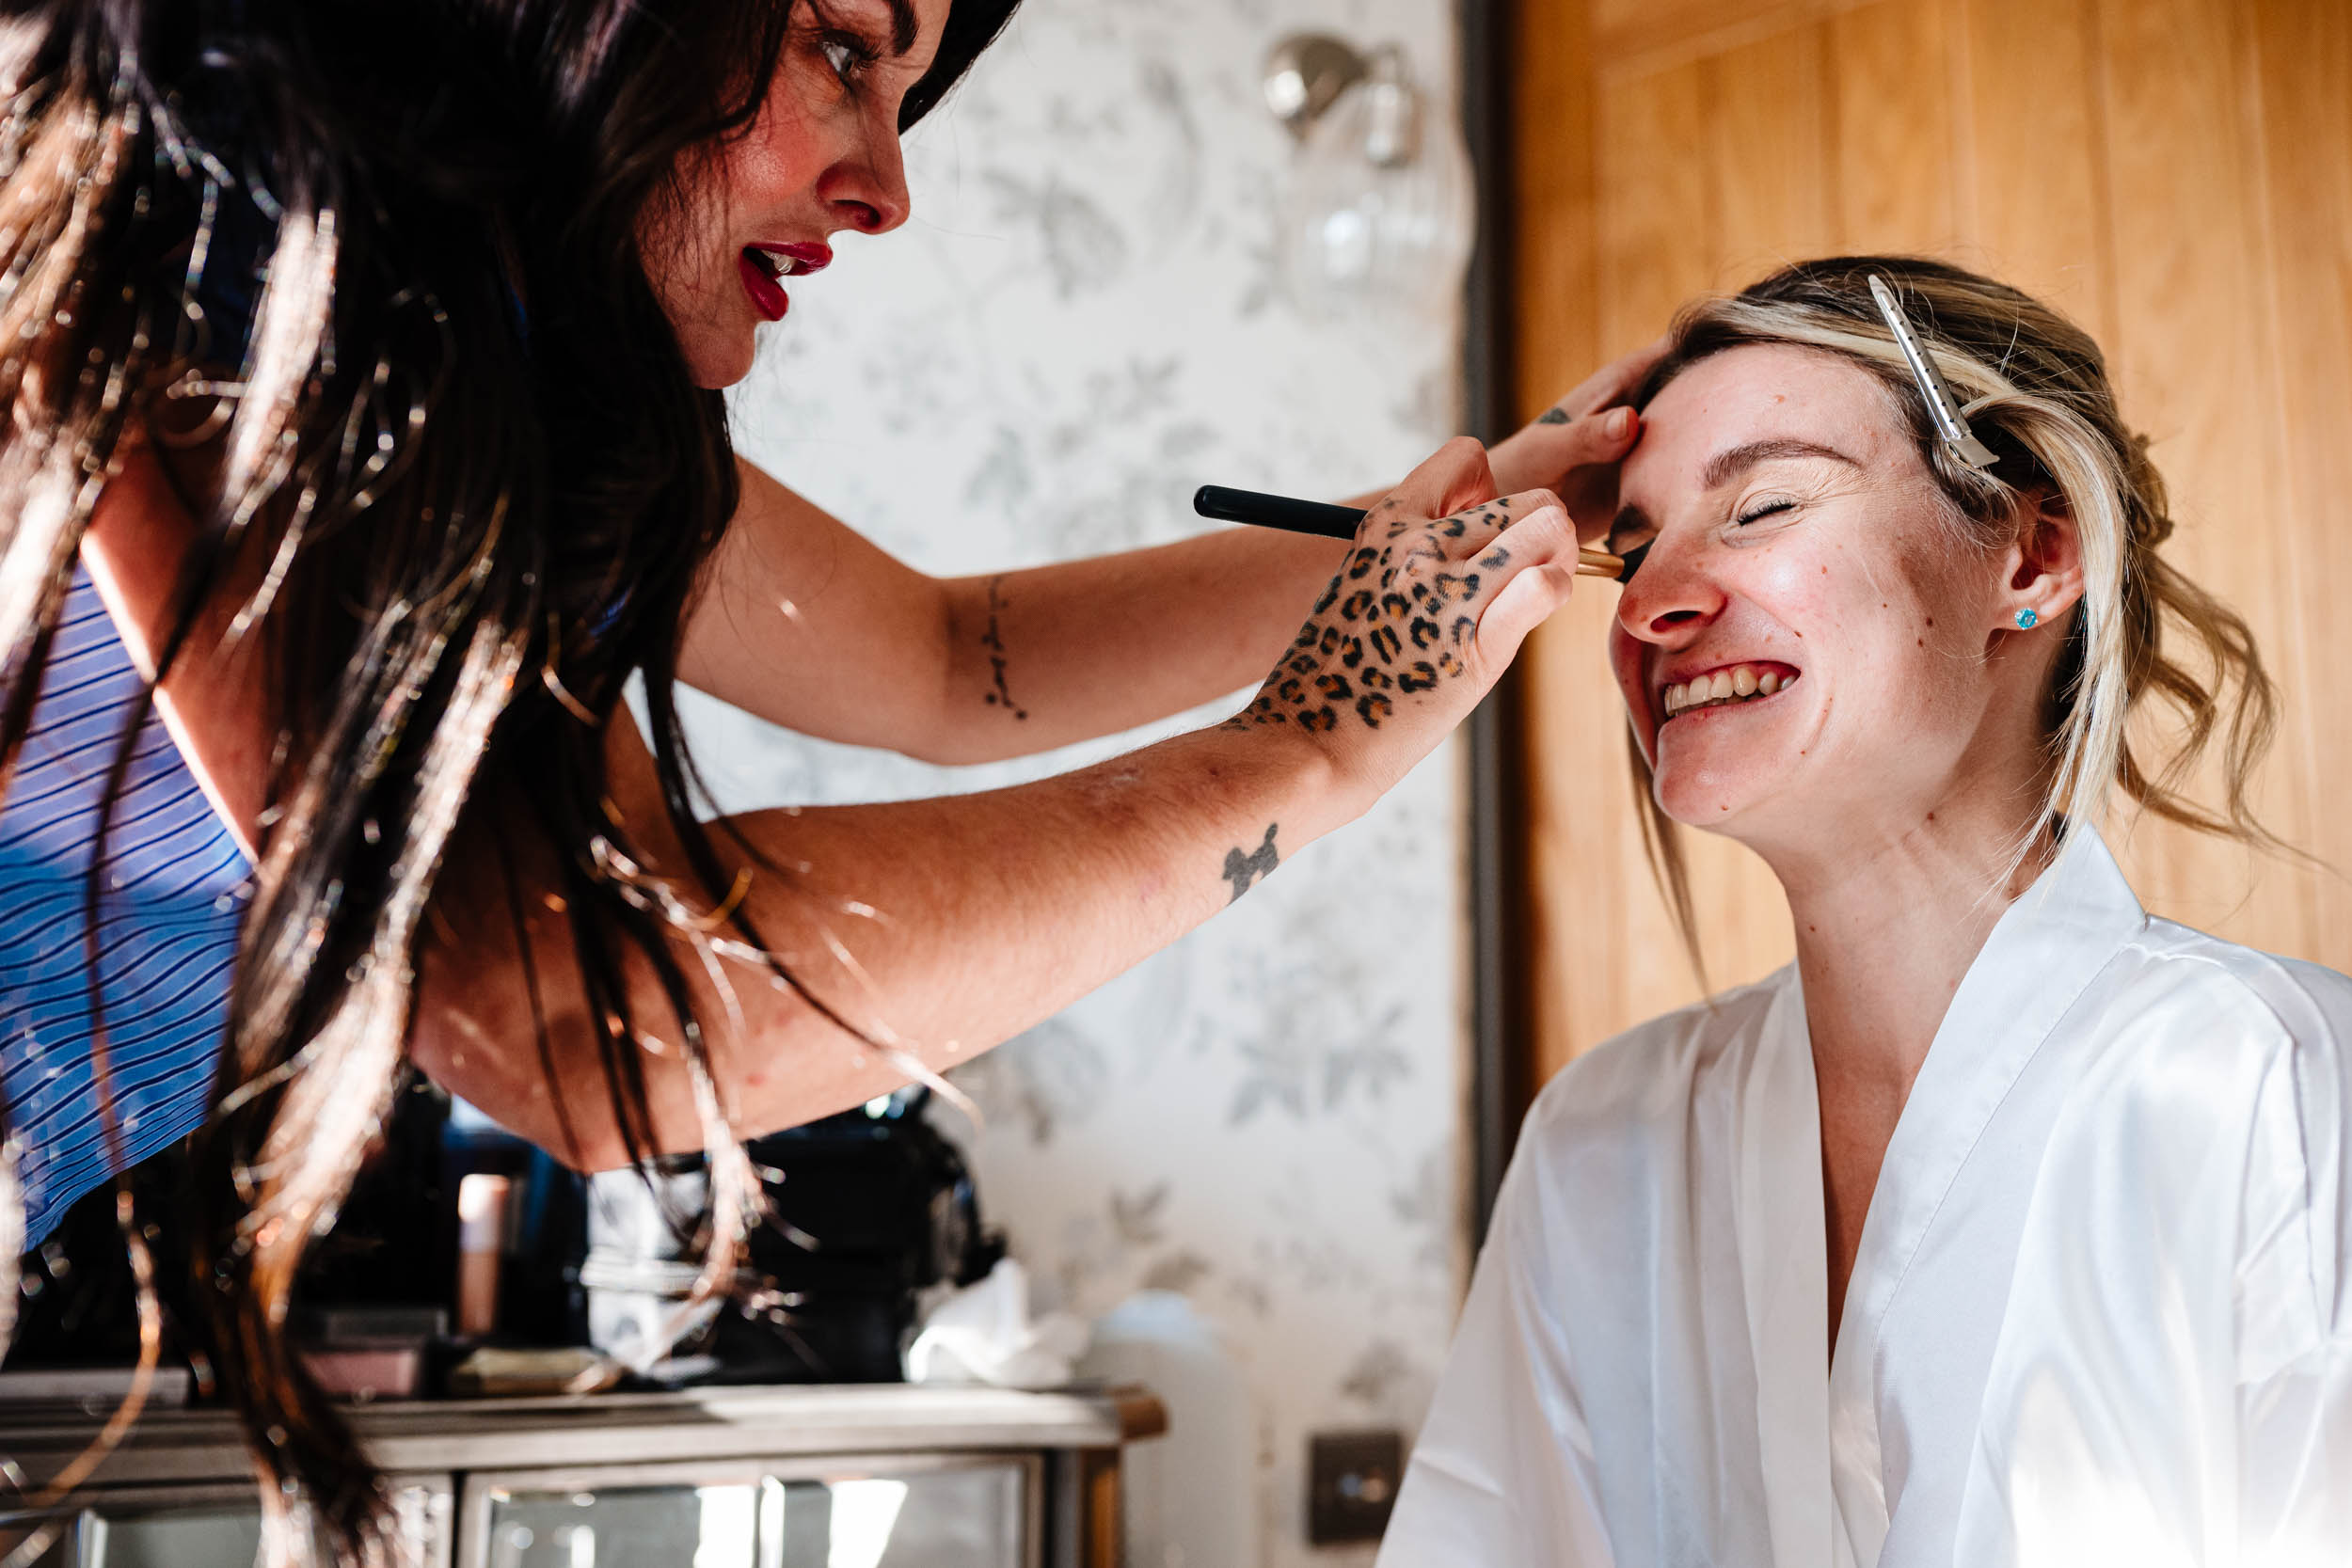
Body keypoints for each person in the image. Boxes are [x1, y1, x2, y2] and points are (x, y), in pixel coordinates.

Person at [0, 0, 1645, 1555]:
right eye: (843, 48)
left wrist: (1466, 513)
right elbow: (579, 1021)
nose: (887, 188)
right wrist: (1311, 746)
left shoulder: (521, 383)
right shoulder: (221, 257)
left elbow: (952, 660)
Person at [1375, 257, 2352, 1566]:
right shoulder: (1602, 1142)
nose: (1652, 605)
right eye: (1635, 548)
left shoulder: (2271, 1090)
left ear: (2034, 552)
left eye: (1764, 504)